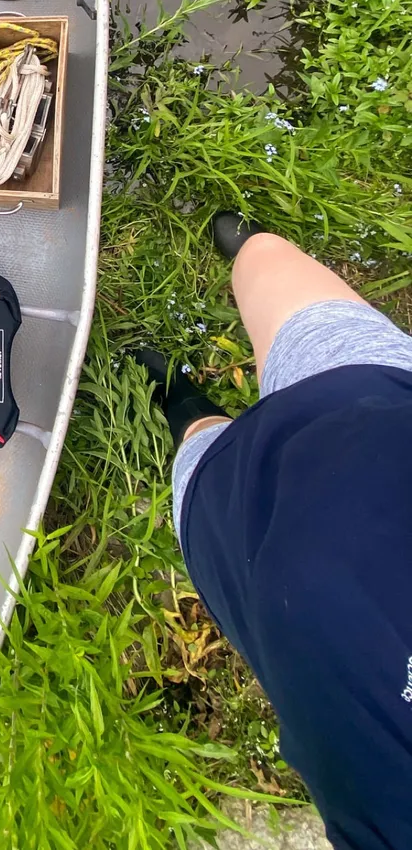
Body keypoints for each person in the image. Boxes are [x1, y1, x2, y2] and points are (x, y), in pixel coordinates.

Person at [136, 213, 412, 850]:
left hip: (253, 558)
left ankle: (182, 402)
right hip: (358, 403)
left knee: (199, 460)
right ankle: (251, 247)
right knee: (270, 275)